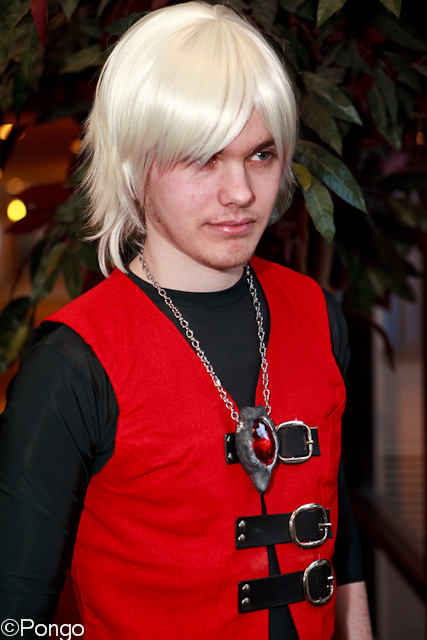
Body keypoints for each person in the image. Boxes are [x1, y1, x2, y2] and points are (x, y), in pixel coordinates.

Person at [0, 2, 373, 638]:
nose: (241, 193)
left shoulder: (316, 312)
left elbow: (335, 516)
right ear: (134, 166)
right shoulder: (71, 366)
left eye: (261, 154)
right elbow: (17, 617)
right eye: (203, 158)